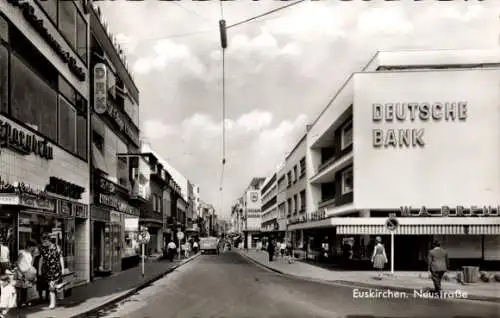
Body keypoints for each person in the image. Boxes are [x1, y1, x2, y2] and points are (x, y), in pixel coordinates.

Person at [38, 234, 65, 310]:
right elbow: (41, 259)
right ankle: (53, 303)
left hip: (56, 269)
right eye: (43, 242)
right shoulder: (44, 249)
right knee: (52, 286)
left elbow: (61, 257)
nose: (44, 243)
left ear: (49, 240)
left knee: (52, 286)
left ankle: (53, 303)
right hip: (48, 270)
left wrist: (63, 268)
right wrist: (39, 270)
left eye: (45, 241)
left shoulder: (57, 247)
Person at [15, 240, 37, 307]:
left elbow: (30, 264)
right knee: (22, 288)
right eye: (32, 247)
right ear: (28, 246)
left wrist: (32, 272)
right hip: (22, 272)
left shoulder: (30, 254)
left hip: (28, 273)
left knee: (27, 288)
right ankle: (21, 302)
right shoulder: (22, 253)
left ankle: (25, 301)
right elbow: (17, 263)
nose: (33, 249)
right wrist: (21, 272)